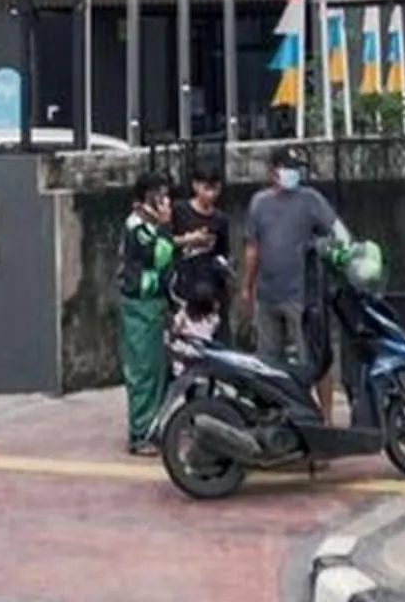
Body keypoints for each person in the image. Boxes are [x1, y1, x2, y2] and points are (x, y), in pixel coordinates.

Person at [236, 145, 346, 419]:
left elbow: (339, 232)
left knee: (316, 358)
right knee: (268, 362)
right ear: (273, 171)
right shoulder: (259, 203)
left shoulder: (311, 200)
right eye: (288, 168)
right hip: (268, 294)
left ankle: (326, 419)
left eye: (296, 169)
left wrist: (331, 249)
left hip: (303, 297)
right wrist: (246, 288)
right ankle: (276, 417)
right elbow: (252, 248)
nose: (293, 174)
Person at [117, 173, 179, 453]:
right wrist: (165, 226)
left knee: (159, 370)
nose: (165, 202)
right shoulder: (137, 228)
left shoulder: (149, 226)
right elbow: (159, 256)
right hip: (140, 305)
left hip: (155, 302)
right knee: (144, 370)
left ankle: (154, 427)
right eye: (158, 196)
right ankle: (140, 433)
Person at [168, 166, 230, 329]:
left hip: (209, 286)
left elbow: (223, 252)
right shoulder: (179, 210)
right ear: (195, 186)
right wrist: (188, 240)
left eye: (216, 189)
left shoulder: (220, 219)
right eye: (207, 188)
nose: (212, 194)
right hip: (183, 284)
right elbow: (164, 241)